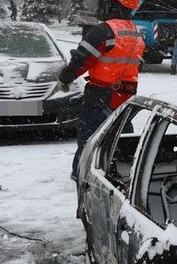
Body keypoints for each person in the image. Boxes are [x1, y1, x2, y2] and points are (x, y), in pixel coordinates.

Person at [57, 0, 145, 180]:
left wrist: (64, 78)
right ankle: (122, 171)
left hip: (101, 94)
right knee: (122, 135)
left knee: (89, 137)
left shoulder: (104, 30)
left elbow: (82, 59)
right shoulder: (136, 32)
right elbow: (136, 63)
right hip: (126, 95)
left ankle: (81, 173)